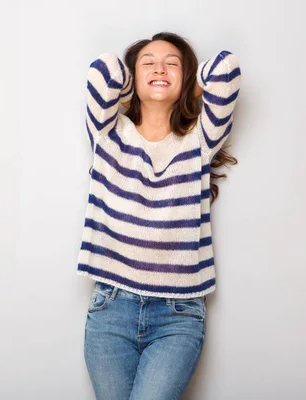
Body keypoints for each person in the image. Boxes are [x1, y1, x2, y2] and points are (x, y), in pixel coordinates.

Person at [77, 32, 241, 400]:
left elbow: (227, 69)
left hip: (178, 314)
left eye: (172, 63)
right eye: (148, 63)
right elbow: (102, 70)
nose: (160, 68)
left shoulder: (199, 140)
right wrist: (132, 83)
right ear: (132, 77)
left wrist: (192, 90)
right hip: (110, 308)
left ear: (187, 77)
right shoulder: (108, 134)